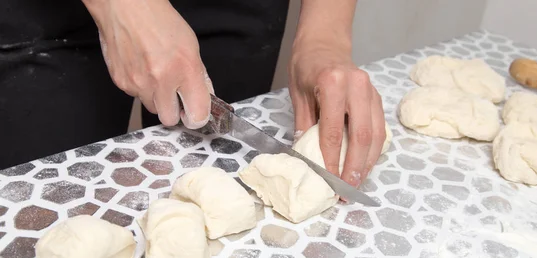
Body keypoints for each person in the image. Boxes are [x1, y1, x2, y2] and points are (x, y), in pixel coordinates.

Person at [0, 0, 386, 188]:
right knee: (51, 205)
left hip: (233, 7)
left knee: (224, 189)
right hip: (52, 14)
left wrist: (324, 36)